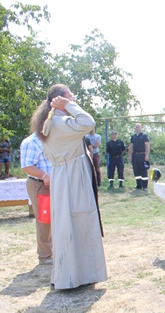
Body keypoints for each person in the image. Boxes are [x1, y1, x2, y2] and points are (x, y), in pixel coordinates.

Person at [31, 83, 107, 289]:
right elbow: (88, 121)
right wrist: (67, 105)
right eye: (69, 97)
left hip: (62, 176)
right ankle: (78, 275)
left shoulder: (50, 123)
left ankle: (73, 274)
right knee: (79, 222)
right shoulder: (60, 122)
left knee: (67, 223)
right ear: (58, 101)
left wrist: (65, 104)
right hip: (73, 177)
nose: (73, 100)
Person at [20, 132, 53, 264]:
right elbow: (26, 166)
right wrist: (44, 175)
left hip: (56, 184)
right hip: (40, 184)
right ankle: (45, 255)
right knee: (44, 220)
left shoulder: (53, 138)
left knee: (57, 218)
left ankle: (56, 251)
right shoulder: (31, 142)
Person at [128, 123, 150, 190]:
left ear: (141, 128)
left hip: (142, 154)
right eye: (136, 127)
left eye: (138, 127)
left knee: (143, 170)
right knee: (136, 170)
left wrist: (147, 155)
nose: (137, 128)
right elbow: (131, 146)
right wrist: (129, 155)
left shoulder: (144, 136)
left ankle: (145, 186)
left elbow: (147, 146)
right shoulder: (133, 136)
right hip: (135, 155)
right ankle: (139, 185)